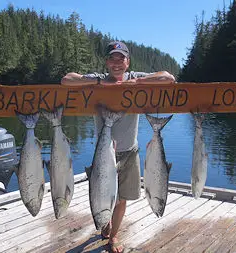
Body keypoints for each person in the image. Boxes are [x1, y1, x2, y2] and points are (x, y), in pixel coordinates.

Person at [61, 41, 175, 253]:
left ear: (127, 61)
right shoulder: (99, 79)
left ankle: (113, 237)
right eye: (112, 58)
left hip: (129, 150)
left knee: (121, 198)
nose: (116, 63)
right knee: (102, 194)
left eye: (120, 58)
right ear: (106, 62)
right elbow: (66, 80)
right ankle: (105, 223)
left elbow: (168, 78)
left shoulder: (134, 78)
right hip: (104, 153)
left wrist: (137, 82)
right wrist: (97, 82)